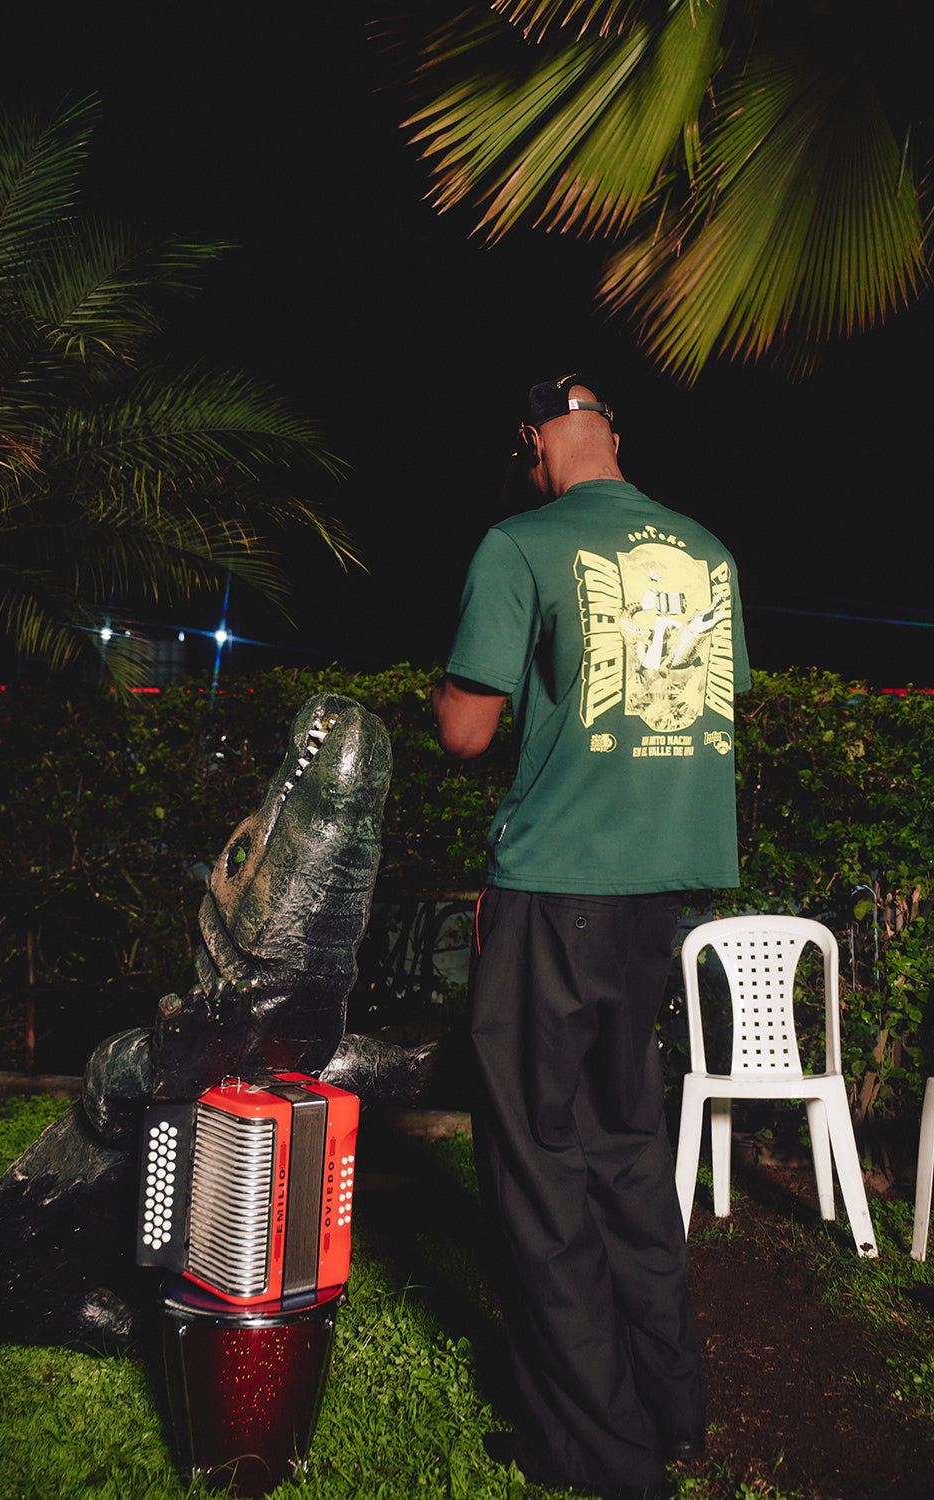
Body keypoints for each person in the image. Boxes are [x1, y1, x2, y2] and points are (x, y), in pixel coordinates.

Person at [433, 373, 751, 1500]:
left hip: (555, 886)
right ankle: (671, 1408)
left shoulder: (520, 543)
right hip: (658, 898)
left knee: (538, 1164)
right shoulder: (707, 552)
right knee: (625, 1146)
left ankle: (599, 1452)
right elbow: (705, 704)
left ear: (532, 443)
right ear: (613, 433)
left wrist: (460, 688)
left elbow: (466, 731)